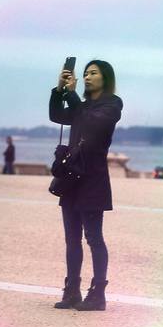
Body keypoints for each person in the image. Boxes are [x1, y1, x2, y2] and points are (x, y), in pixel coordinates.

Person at [48, 60, 122, 312]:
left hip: (93, 180)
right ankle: (71, 292)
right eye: (86, 73)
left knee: (93, 237)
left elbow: (93, 123)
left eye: (93, 73)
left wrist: (72, 96)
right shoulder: (83, 106)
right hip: (71, 179)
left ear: (105, 78)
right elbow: (56, 115)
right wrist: (59, 91)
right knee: (72, 239)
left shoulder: (112, 104)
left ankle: (98, 293)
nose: (87, 77)